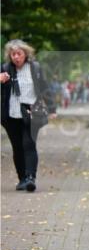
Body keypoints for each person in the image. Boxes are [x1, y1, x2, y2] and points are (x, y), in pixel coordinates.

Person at [1, 39, 57, 192]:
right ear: (9, 56)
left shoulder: (35, 68)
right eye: (13, 54)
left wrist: (52, 108)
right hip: (11, 115)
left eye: (19, 54)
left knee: (29, 144)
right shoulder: (4, 69)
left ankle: (31, 177)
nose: (16, 57)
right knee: (17, 148)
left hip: (31, 113)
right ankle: (22, 179)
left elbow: (45, 88)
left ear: (25, 54)